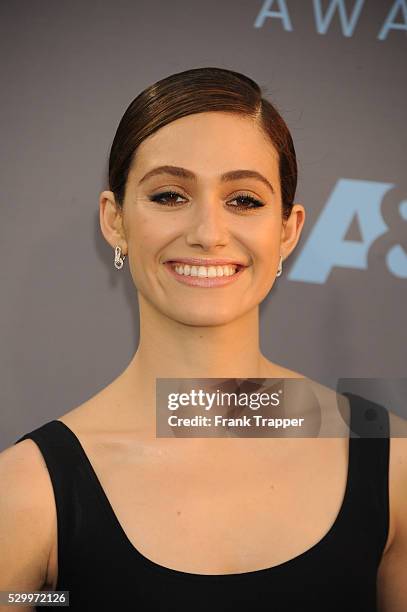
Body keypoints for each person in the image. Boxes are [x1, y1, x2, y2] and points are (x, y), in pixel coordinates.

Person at [1, 67, 406, 611]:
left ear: (288, 229)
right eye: (169, 195)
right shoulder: (27, 493)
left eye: (244, 200)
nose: (208, 233)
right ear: (114, 220)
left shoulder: (388, 461)